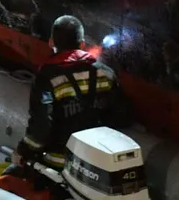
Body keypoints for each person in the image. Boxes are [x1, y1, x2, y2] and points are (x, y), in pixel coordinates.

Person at [11, 15, 132, 174]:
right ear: (82, 44)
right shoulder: (107, 73)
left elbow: (41, 127)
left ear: (51, 42)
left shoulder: (47, 77)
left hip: (58, 165)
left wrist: (22, 152)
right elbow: (121, 116)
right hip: (97, 165)